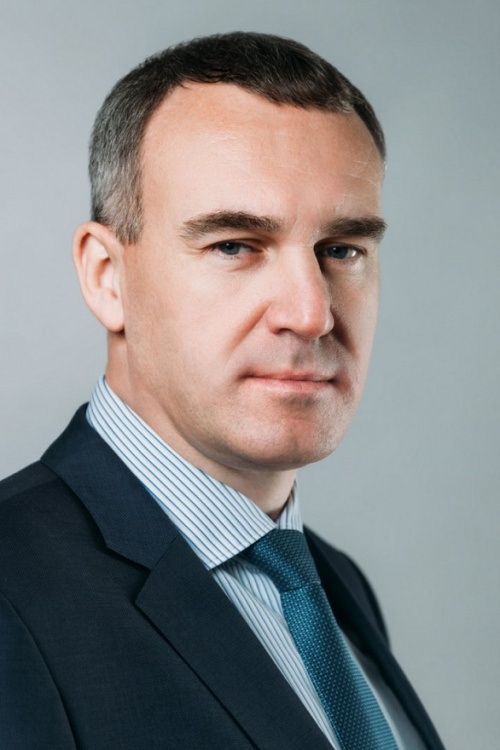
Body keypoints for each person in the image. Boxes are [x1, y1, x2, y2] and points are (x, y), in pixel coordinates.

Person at [0, 32, 445, 750]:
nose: (311, 313)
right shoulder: (11, 592)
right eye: (234, 245)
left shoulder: (334, 586)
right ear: (107, 278)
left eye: (342, 250)